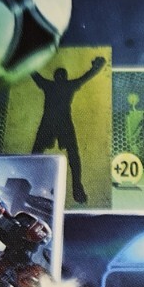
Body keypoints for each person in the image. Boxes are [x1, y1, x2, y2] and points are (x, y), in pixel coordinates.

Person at [31, 56, 105, 204]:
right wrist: (97, 66)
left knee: (37, 153)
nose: (59, 77)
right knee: (72, 154)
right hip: (62, 123)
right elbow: (86, 77)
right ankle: (77, 186)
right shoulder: (68, 85)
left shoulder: (49, 85)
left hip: (50, 122)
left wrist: (26, 60)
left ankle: (34, 182)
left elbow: (34, 74)